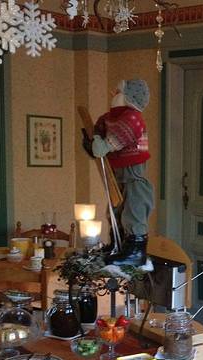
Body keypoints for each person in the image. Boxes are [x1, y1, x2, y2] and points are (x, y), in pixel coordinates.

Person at [89, 79, 154, 266]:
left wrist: (104, 145)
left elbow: (119, 137)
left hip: (133, 168)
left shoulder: (133, 118)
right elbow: (100, 129)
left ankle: (135, 250)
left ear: (127, 96)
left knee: (134, 204)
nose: (113, 94)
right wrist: (94, 138)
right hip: (116, 169)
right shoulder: (111, 117)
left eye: (117, 91)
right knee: (116, 205)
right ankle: (117, 243)